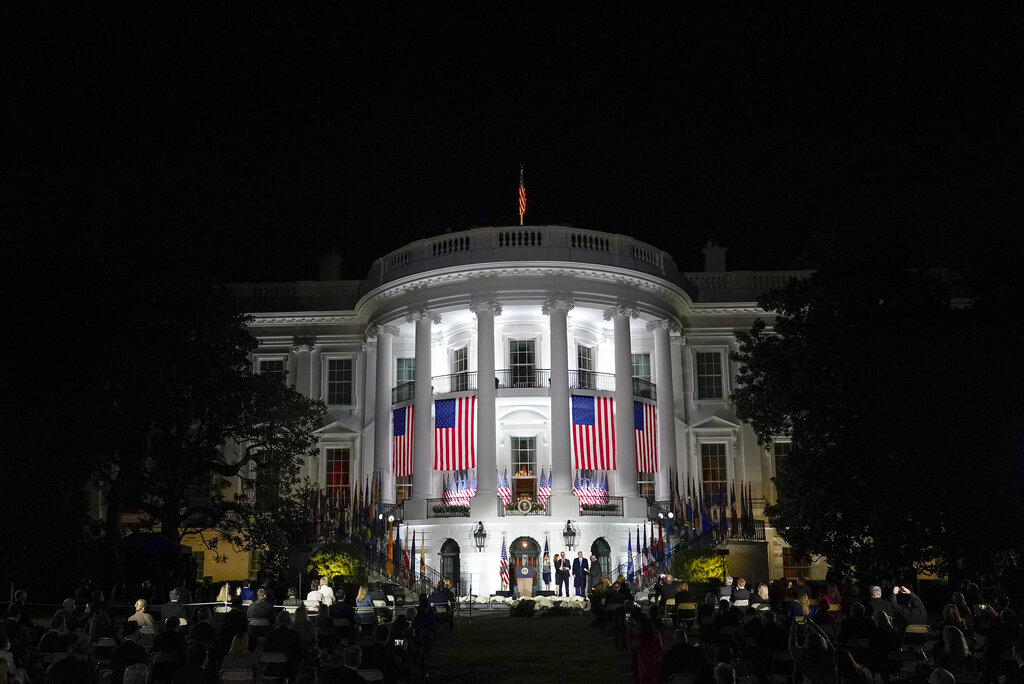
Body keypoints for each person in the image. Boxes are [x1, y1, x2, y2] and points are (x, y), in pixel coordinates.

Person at [788, 616, 835, 684]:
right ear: (823, 643)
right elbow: (826, 639)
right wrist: (812, 624)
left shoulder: (801, 657)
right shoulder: (829, 654)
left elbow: (791, 646)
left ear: (806, 644)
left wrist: (793, 629)